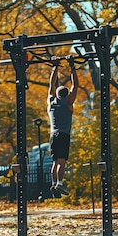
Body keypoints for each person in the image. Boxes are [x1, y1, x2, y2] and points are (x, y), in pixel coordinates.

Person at [47, 56, 78, 198]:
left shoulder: (51, 102)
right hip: (64, 135)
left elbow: (51, 85)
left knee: (55, 161)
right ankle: (59, 182)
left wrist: (55, 67)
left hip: (53, 135)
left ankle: (54, 182)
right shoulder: (68, 104)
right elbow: (75, 85)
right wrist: (72, 67)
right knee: (61, 162)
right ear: (67, 95)